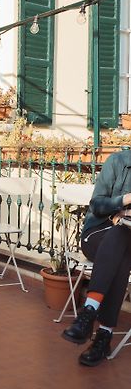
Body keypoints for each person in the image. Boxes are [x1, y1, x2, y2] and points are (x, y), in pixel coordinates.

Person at [62, 149, 131, 366]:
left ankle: (89, 312)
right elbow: (97, 204)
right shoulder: (119, 161)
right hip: (98, 236)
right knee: (121, 236)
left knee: (124, 238)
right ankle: (104, 335)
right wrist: (125, 201)